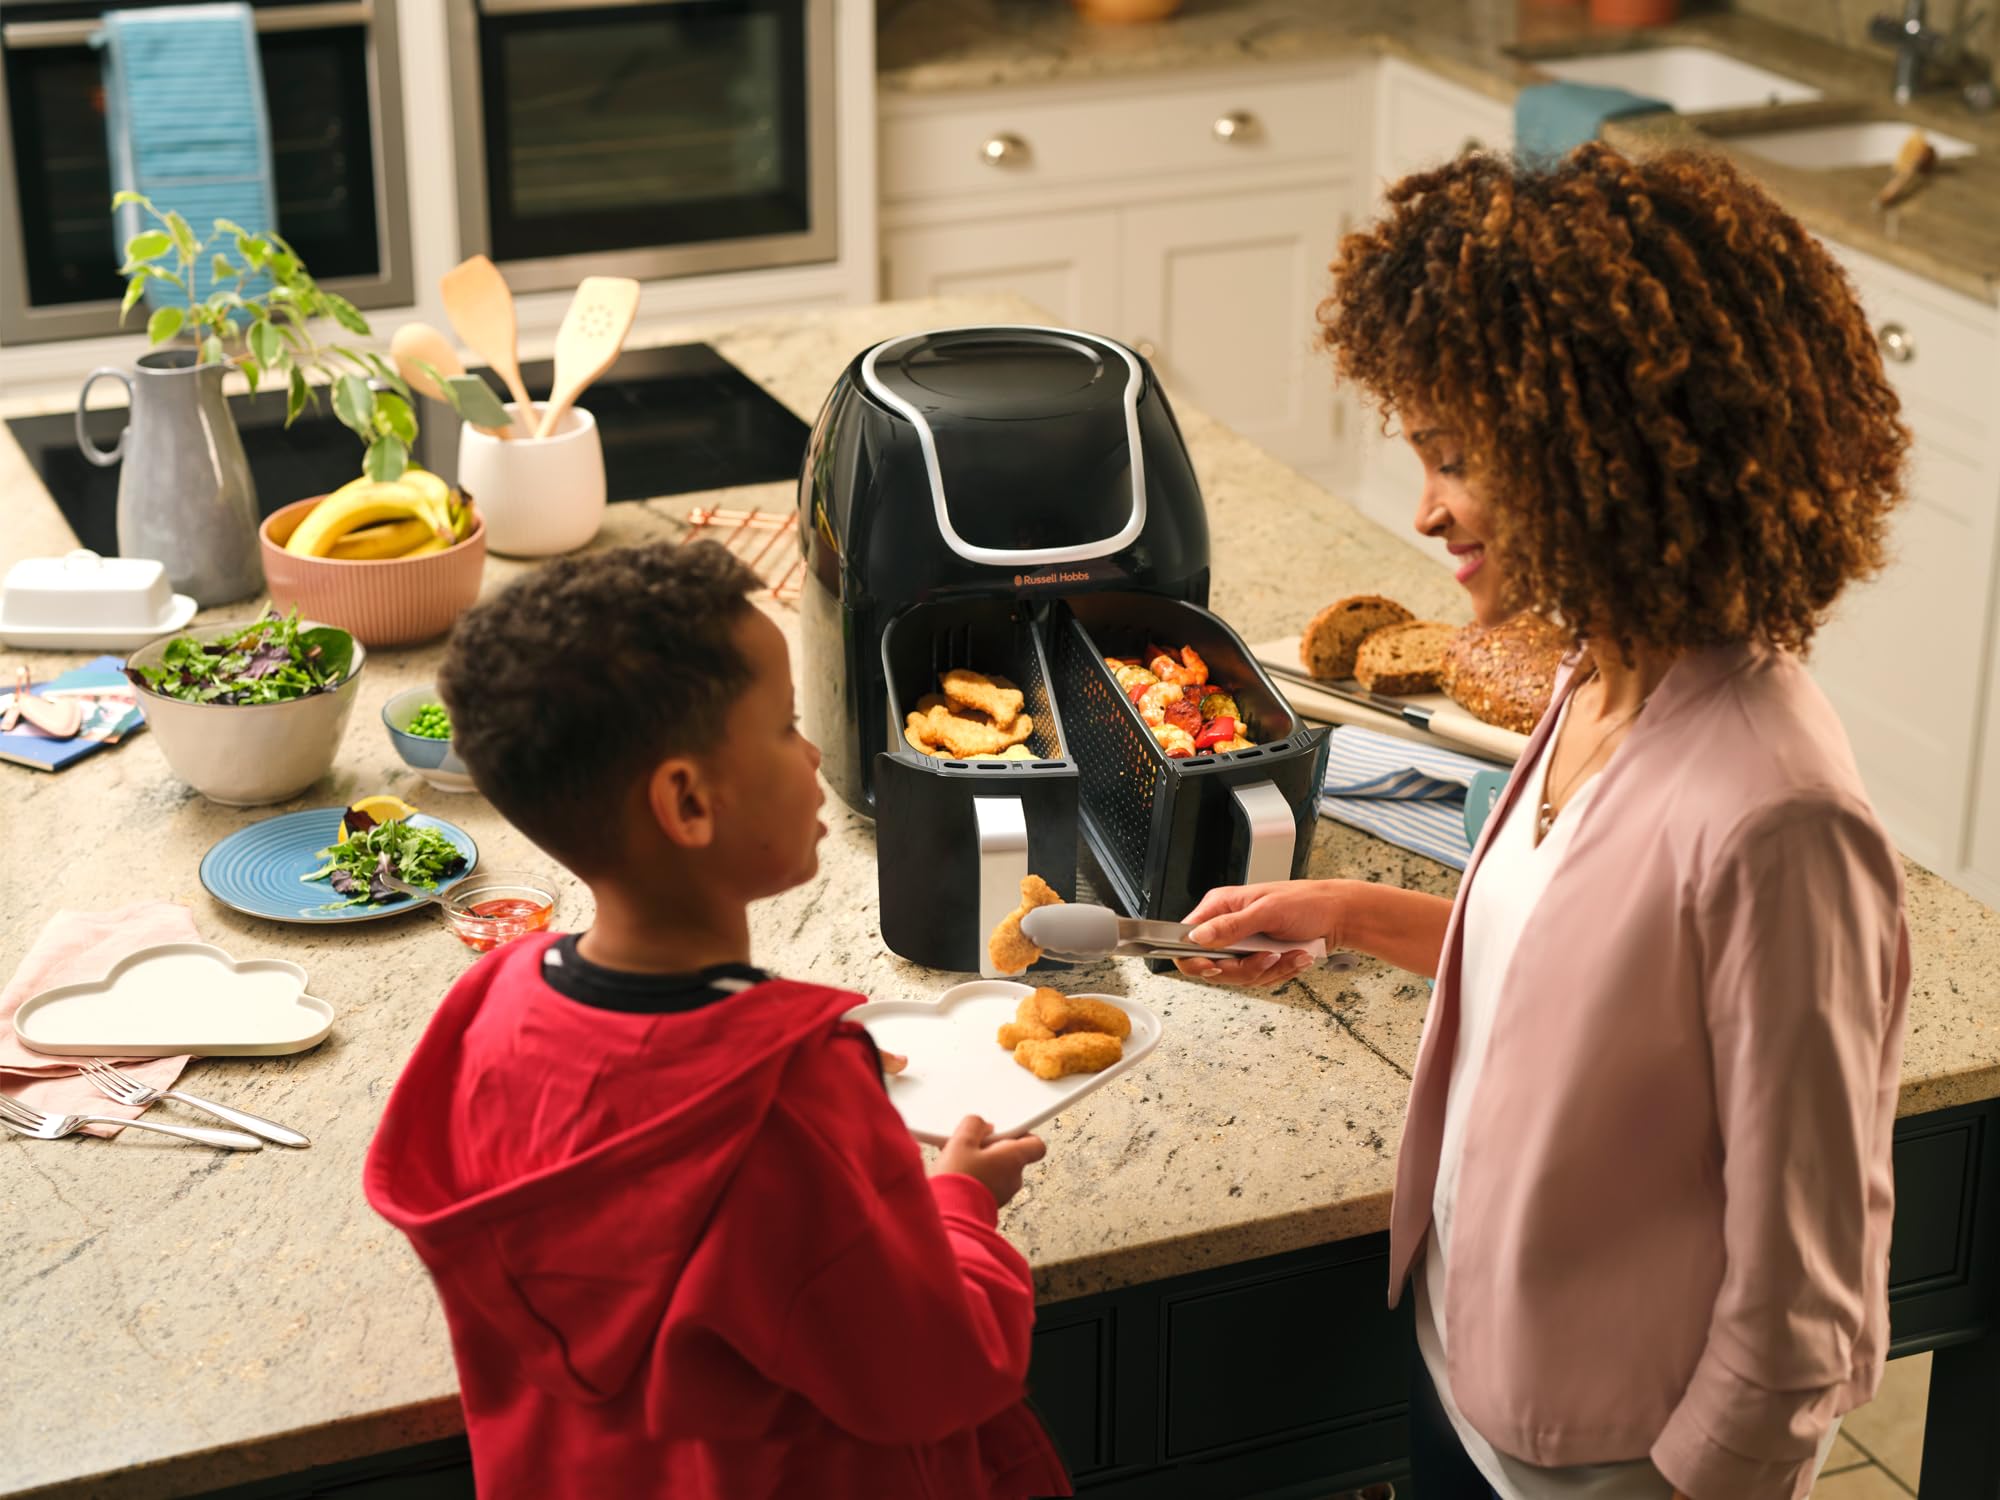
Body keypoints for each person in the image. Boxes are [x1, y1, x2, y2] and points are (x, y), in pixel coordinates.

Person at [1180, 144, 1912, 1500]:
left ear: (1601, 453)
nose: (1424, 510)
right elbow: (1591, 977)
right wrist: (1344, 915)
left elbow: (1806, 1306)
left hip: (1601, 1463)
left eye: (1456, 459)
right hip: (1461, 1367)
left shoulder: (1778, 818)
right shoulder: (1597, 670)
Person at [364, 541, 1070, 1500]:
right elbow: (937, 1372)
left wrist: (799, 1068)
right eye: (783, 726)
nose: (813, 754)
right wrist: (961, 1206)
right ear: (688, 802)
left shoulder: (493, 1004)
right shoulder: (784, 1102)